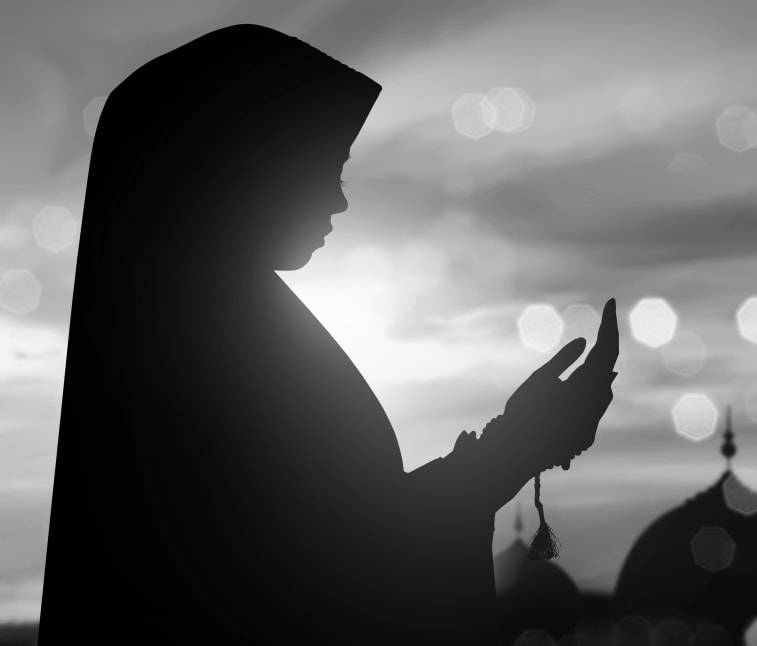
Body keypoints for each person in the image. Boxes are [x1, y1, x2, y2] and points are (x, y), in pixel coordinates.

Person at [38, 24, 619, 646]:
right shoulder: (201, 357)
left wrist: (514, 444)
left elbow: (351, 539)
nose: (339, 202)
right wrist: (515, 446)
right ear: (242, 167)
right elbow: (325, 580)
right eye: (325, 167)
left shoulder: (226, 324)